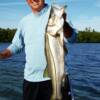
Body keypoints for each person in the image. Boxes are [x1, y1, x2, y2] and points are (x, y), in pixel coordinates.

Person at [0, 0, 76, 100]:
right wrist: (2, 55)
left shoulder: (57, 12)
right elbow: (16, 46)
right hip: (31, 81)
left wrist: (63, 23)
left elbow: (72, 38)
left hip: (58, 77)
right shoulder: (24, 21)